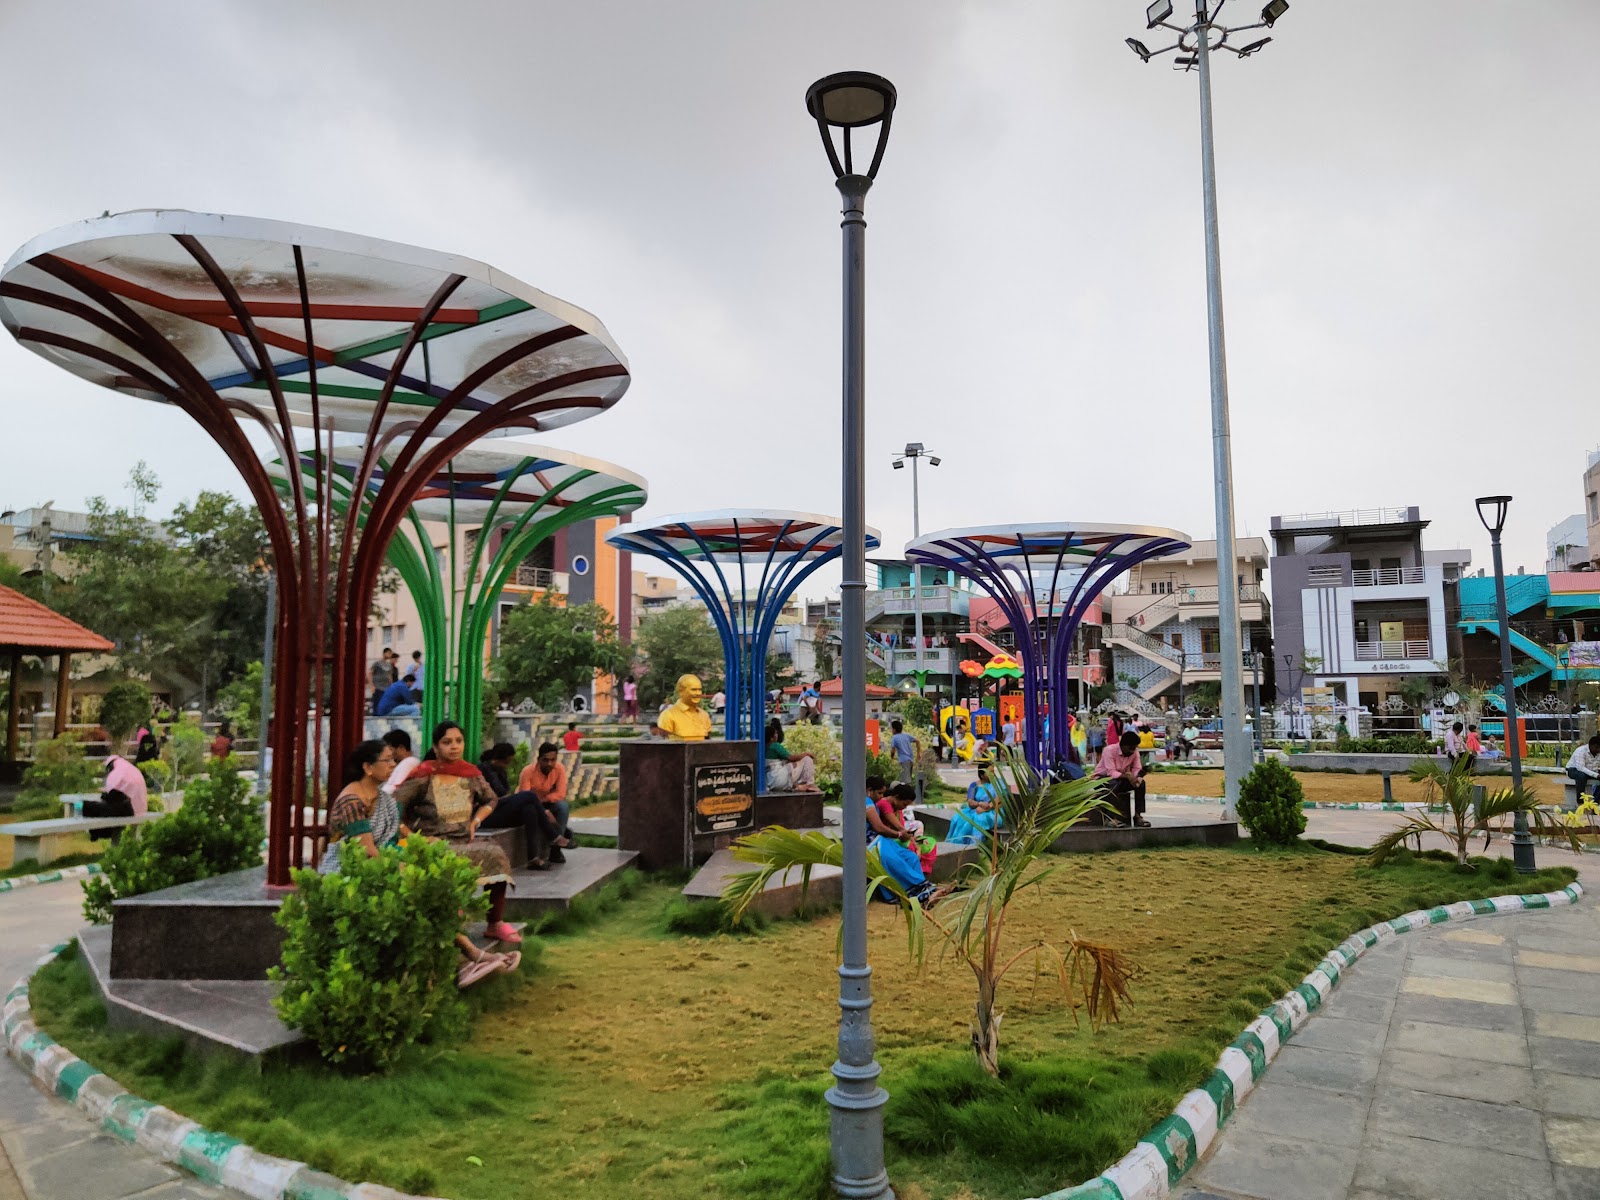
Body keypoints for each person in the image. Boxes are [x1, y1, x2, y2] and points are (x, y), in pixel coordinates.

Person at [394, 722, 530, 939]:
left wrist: (476, 820)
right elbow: (393, 808)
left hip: (463, 839)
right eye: (447, 742)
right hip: (432, 842)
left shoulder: (470, 773)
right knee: (445, 859)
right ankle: (449, 918)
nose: (454, 747)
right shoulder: (423, 774)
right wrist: (414, 839)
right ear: (436, 747)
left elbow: (491, 799)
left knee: (496, 855)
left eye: (458, 741)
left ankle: (494, 922)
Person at [320, 739, 403, 872]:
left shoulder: (386, 800)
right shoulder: (350, 801)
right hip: (347, 872)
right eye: (387, 760)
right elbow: (367, 850)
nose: (393, 765)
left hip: (380, 867)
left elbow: (393, 840)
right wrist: (399, 868)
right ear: (368, 767)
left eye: (393, 760)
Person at [517, 742, 573, 862]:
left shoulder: (559, 768)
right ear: (538, 759)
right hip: (529, 806)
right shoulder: (528, 771)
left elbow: (561, 793)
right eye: (545, 760)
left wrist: (545, 804)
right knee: (531, 810)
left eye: (553, 760)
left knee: (563, 807)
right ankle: (553, 841)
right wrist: (542, 811)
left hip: (546, 802)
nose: (549, 764)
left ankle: (556, 849)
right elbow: (525, 797)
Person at [80, 755, 149, 839]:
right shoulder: (133, 770)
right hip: (140, 809)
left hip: (128, 810)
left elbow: (111, 795)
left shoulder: (116, 774)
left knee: (90, 807)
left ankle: (95, 833)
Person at [1093, 729, 1149, 827]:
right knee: (1112, 784)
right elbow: (1110, 772)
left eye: (1134, 748)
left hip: (1121, 779)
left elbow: (1137, 767)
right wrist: (1127, 775)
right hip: (1102, 780)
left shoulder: (1134, 752)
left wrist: (1137, 777)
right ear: (1122, 746)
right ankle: (1110, 818)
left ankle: (1138, 816)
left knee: (1141, 784)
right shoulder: (1109, 750)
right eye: (1130, 748)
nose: (1132, 751)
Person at [765, 719, 819, 792]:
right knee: (807, 759)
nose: (777, 735)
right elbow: (791, 758)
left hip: (769, 781)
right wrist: (806, 754)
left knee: (790, 765)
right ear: (771, 738)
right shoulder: (775, 746)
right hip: (779, 779)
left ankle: (798, 785)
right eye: (775, 734)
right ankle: (809, 784)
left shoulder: (763, 747)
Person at [656, 674, 712, 741]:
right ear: (681, 691)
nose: (698, 693)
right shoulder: (668, 715)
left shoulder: (704, 715)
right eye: (693, 690)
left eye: (699, 690)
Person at [382, 728, 421, 795]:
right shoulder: (406, 763)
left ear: (401, 748)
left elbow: (396, 788)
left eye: (390, 749)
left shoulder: (409, 762)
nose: (388, 754)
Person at [1568, 735, 1600, 804]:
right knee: (1581, 776)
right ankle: (1580, 801)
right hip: (1574, 770)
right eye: (1596, 747)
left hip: (1590, 771)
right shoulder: (1581, 751)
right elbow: (1580, 768)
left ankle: (1595, 802)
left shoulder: (1598, 753)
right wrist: (1596, 775)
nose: (1598, 750)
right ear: (1590, 745)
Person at [370, 647, 398, 714]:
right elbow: (370, 673)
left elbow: (389, 676)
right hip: (377, 687)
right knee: (376, 704)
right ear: (384, 653)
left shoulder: (389, 665)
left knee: (384, 704)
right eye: (388, 653)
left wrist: (391, 686)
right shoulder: (377, 663)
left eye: (390, 654)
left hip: (386, 688)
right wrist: (372, 685)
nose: (390, 655)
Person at [889, 718, 917, 784]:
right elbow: (917, 741)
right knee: (908, 777)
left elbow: (892, 750)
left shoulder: (894, 737)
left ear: (894, 730)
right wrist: (918, 753)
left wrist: (891, 758)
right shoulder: (906, 736)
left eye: (892, 729)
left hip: (903, 760)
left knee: (905, 781)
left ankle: (906, 793)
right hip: (910, 760)